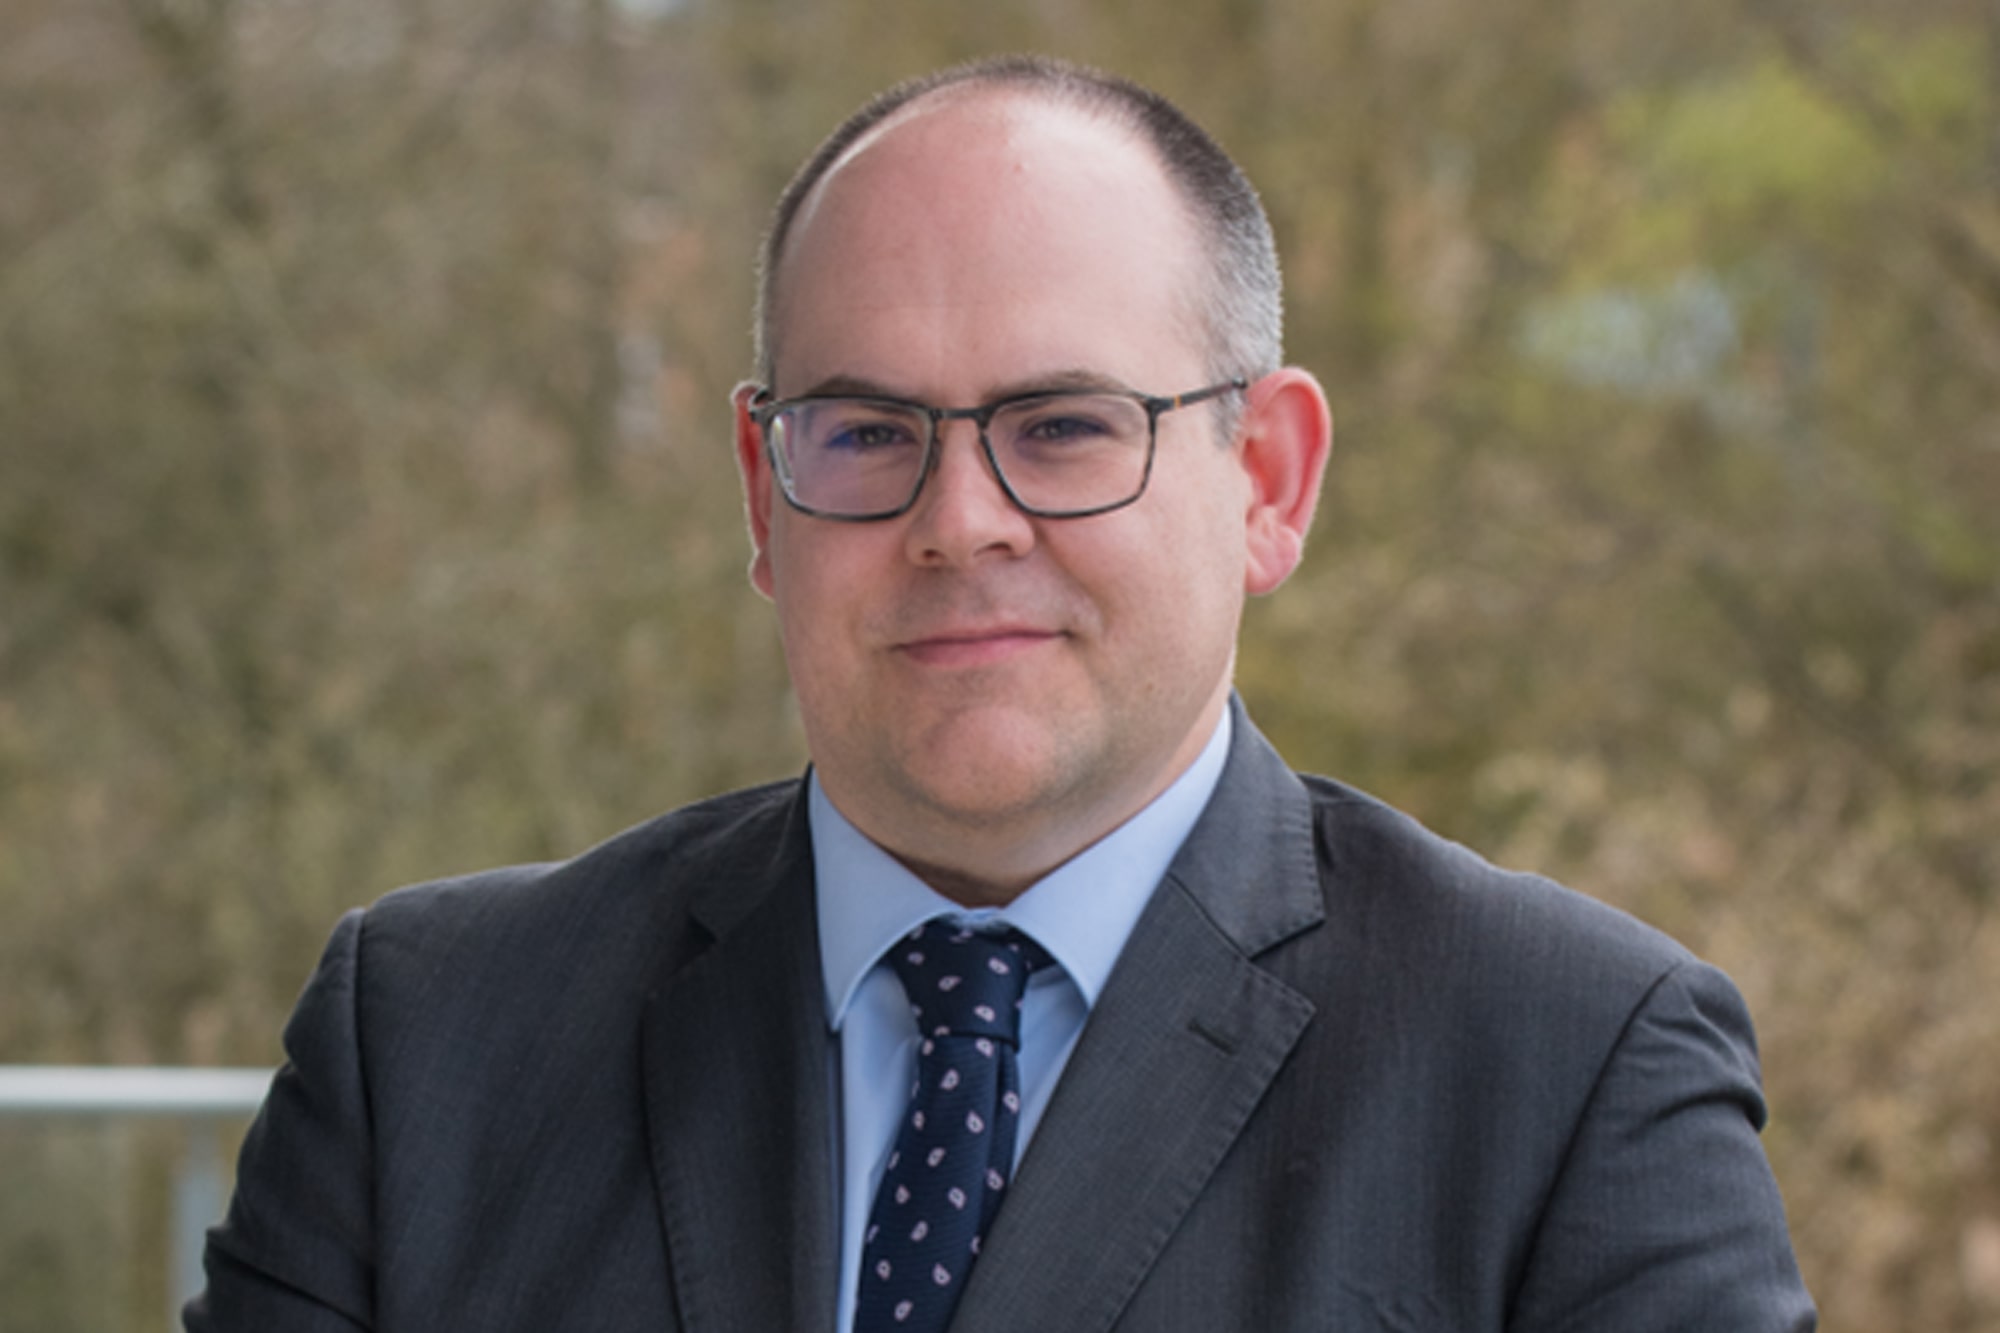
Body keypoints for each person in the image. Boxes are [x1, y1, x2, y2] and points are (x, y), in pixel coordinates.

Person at [186, 55, 1817, 1333]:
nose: (960, 520)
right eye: (866, 432)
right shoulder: (429, 1046)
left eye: (1064, 426)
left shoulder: (1570, 1073)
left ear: (1267, 479)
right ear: (761, 495)